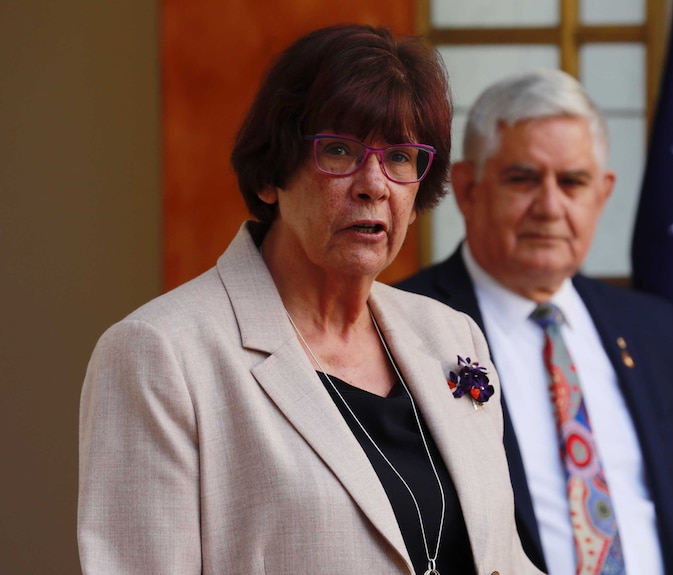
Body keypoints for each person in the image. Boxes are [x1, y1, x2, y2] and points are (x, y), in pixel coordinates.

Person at [78, 24, 543, 575]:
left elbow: (505, 558)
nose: (375, 184)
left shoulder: (452, 335)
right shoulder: (160, 355)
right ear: (273, 174)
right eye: (340, 150)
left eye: (399, 157)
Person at [397, 69, 673, 575]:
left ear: (602, 193)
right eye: (523, 179)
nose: (550, 206)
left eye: (573, 182)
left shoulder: (655, 330)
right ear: (468, 190)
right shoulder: (401, 327)